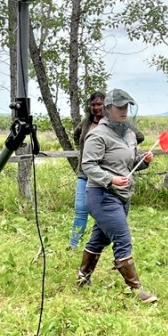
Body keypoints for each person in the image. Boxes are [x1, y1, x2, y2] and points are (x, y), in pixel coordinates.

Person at [76, 88, 158, 303]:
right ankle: (136, 289)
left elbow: (127, 164)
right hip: (101, 194)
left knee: (100, 238)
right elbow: (88, 165)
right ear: (108, 109)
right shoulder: (97, 135)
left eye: (126, 107)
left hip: (123, 195)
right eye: (119, 107)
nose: (123, 111)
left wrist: (143, 161)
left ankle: (83, 277)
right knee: (122, 238)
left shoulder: (129, 133)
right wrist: (110, 179)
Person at [68, 91, 104, 249]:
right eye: (93, 104)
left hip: (104, 174)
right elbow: (76, 135)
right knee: (80, 209)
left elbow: (138, 136)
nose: (96, 107)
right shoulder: (86, 122)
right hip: (84, 172)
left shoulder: (113, 123)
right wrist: (84, 150)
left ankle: (98, 244)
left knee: (102, 211)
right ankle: (74, 244)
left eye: (99, 104)